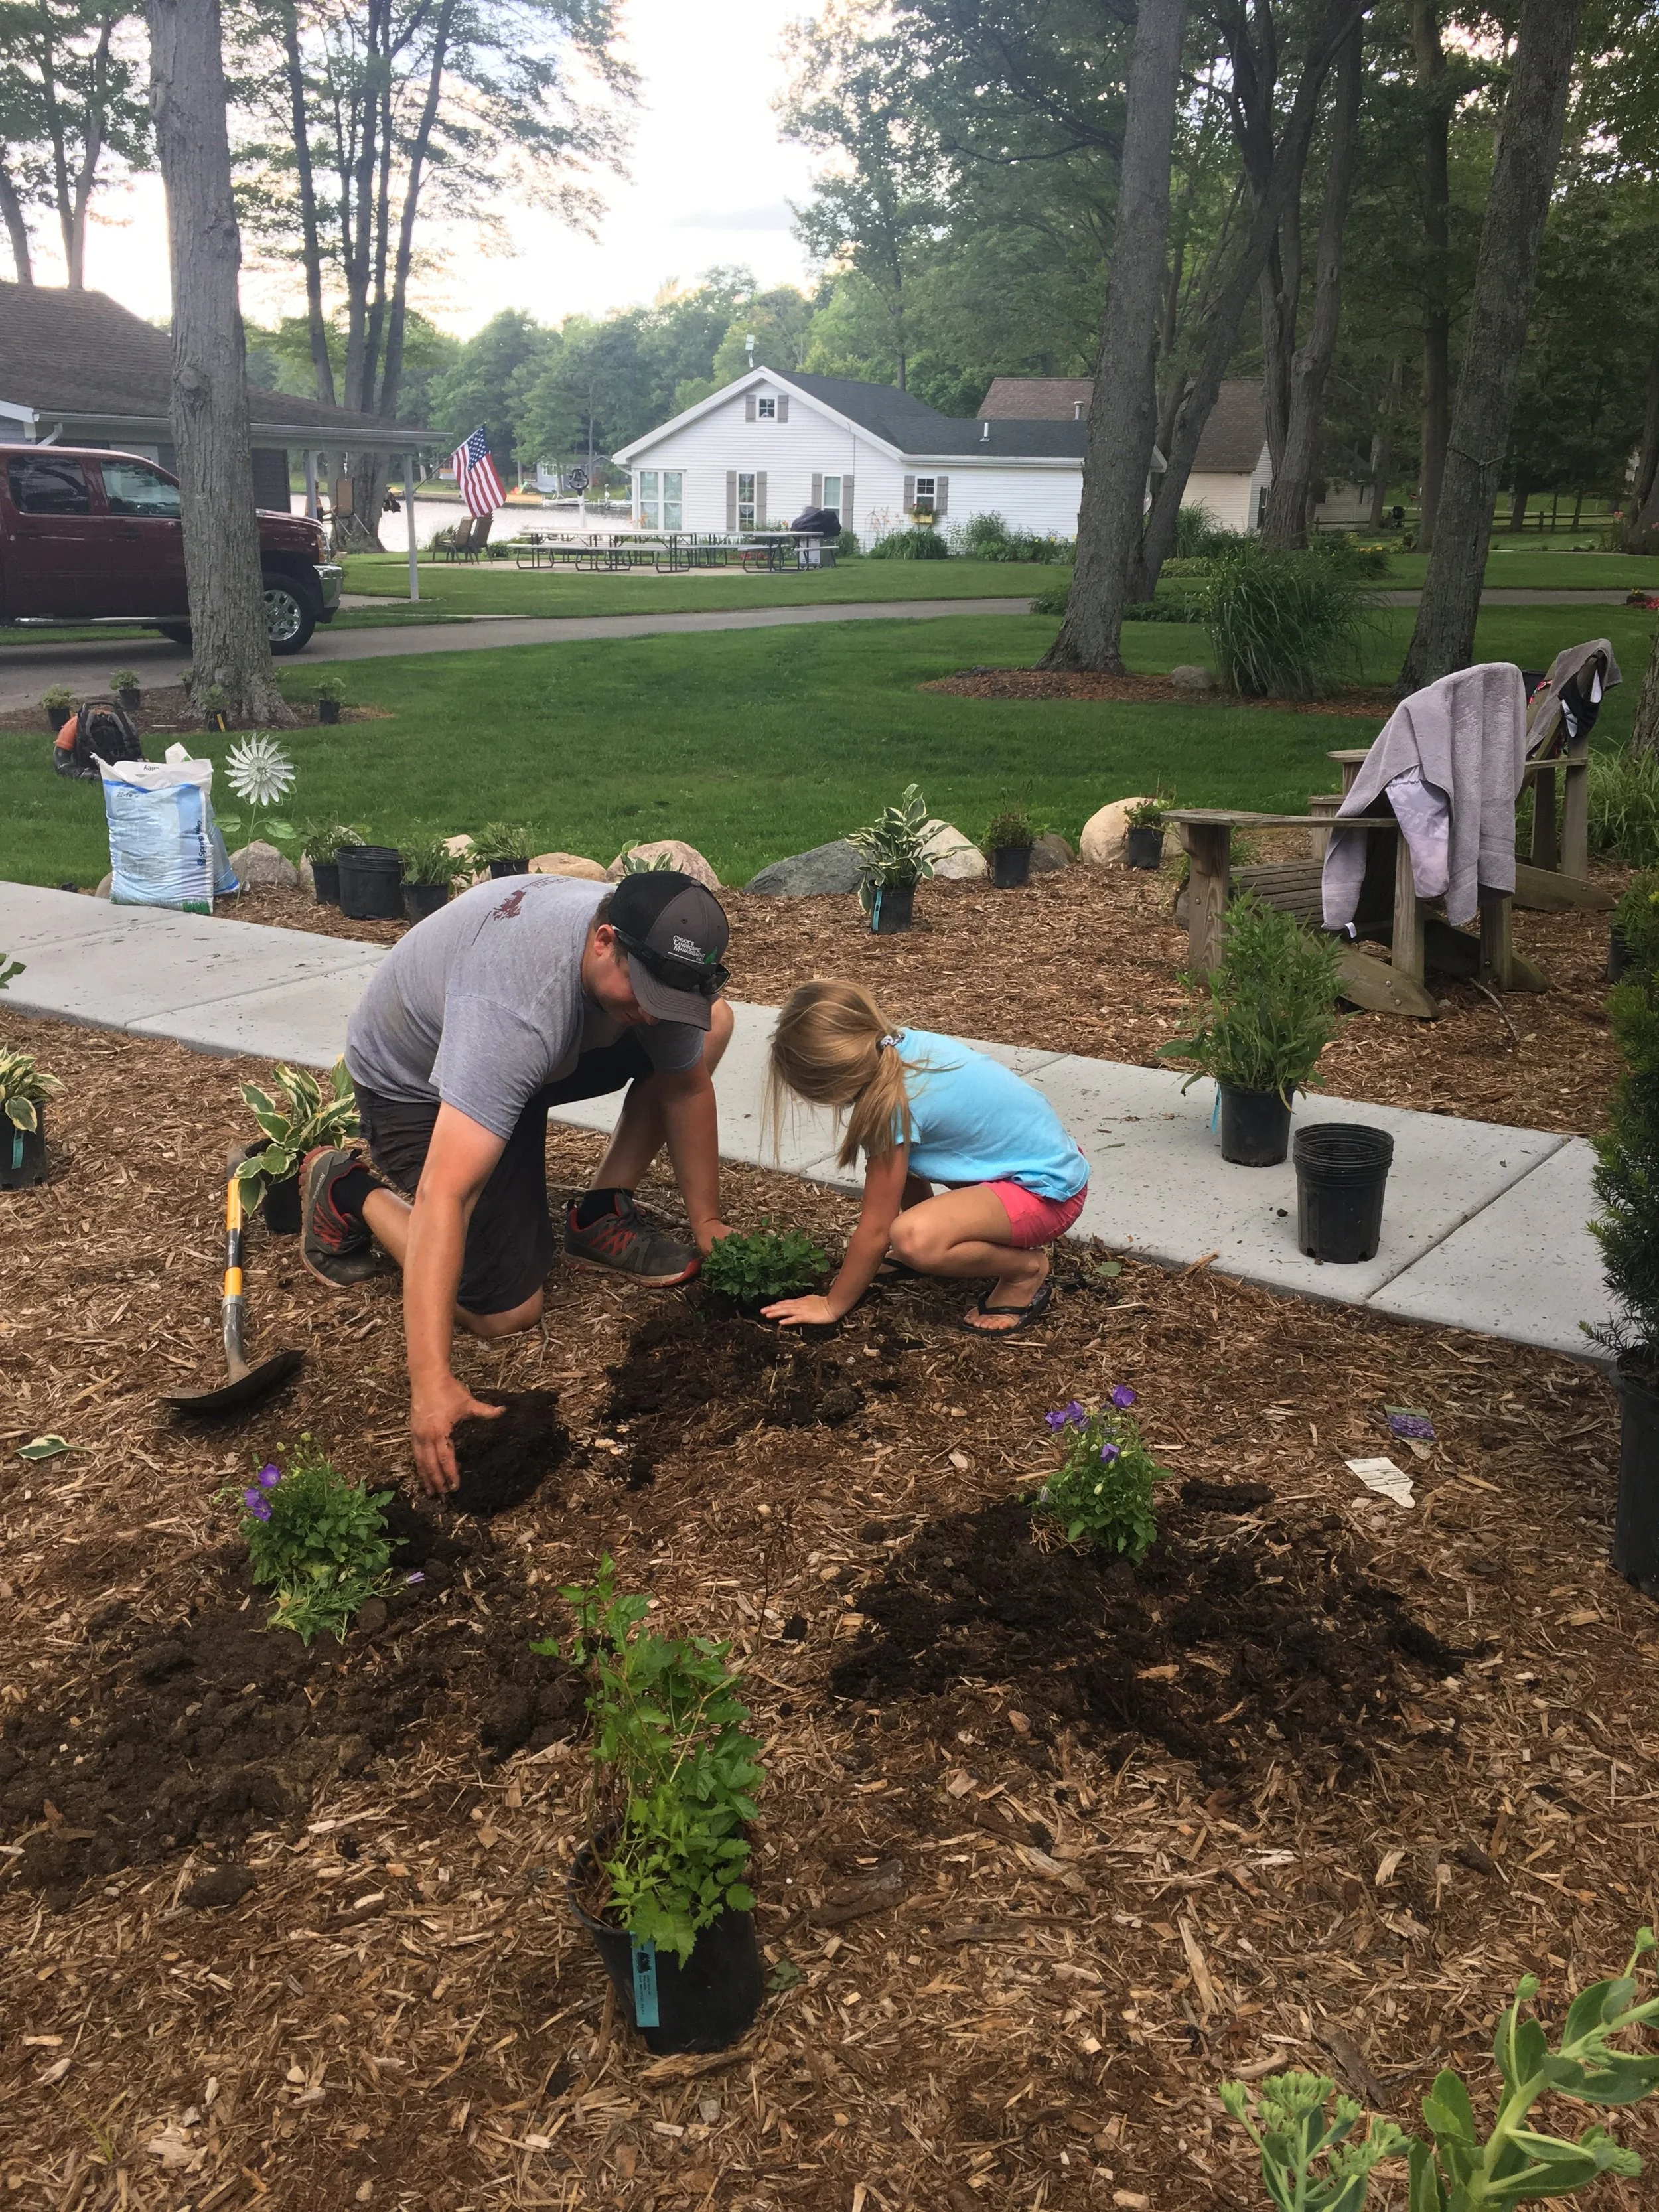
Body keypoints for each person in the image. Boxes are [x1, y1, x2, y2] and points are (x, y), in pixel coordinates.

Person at [299, 869, 734, 1491]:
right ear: (605, 939)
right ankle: (346, 1191)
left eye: (669, 996)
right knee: (505, 1310)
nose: (652, 1010)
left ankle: (601, 1210)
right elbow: (447, 1194)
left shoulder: (645, 969)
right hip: (416, 1088)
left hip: (518, 1062)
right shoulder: (516, 1010)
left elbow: (688, 1086)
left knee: (709, 1027)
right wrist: (431, 1384)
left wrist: (708, 1223)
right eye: (646, 993)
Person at [761, 979, 1087, 1336]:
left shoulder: (891, 1109)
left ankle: (1024, 1271)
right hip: (1048, 1168)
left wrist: (831, 1304)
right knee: (905, 1194)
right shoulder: (897, 1048)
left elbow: (875, 1229)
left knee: (912, 1238)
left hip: (1047, 1194)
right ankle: (932, 1246)